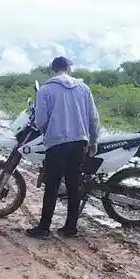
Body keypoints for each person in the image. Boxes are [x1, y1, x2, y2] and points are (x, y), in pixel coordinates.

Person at [26, 56, 100, 239]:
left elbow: (41, 120)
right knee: (74, 185)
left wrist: (48, 132)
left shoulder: (45, 90)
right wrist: (93, 140)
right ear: (69, 68)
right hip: (79, 143)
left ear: (52, 69)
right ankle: (70, 228)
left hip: (56, 143)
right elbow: (93, 118)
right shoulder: (83, 88)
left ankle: (44, 228)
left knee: (52, 185)